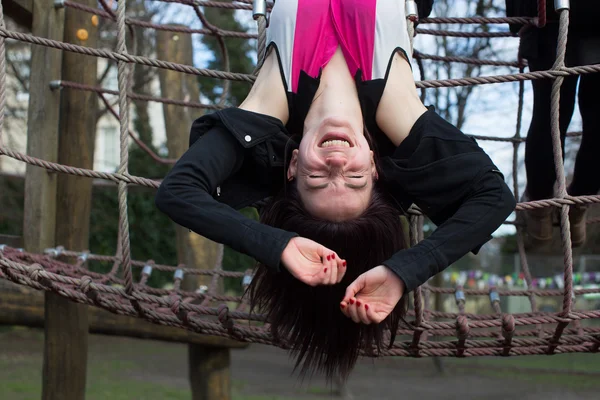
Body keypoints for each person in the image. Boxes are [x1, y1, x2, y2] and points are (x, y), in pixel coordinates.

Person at [155, 0, 514, 379]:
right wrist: (403, 272)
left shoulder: (269, 103)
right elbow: (496, 197)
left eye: (317, 179)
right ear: (374, 166)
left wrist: (278, 245)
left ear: (293, 165)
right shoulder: (398, 111)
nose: (337, 165)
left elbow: (177, 192)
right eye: (355, 179)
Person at [506, 0, 600, 248]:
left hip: (553, 14)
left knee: (553, 113)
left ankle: (550, 205)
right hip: (553, 15)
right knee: (556, 113)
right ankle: (571, 202)